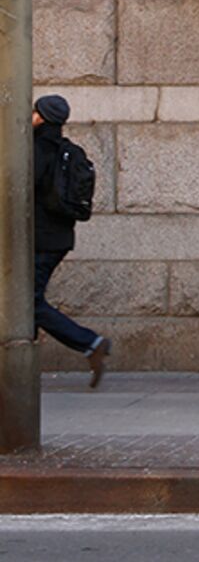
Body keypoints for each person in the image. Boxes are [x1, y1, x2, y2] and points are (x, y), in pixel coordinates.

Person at [32, 94, 111, 388]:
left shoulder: (37, 149)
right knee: (29, 301)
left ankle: (91, 342)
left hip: (39, 239)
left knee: (27, 303)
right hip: (59, 238)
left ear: (40, 117)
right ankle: (23, 365)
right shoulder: (66, 150)